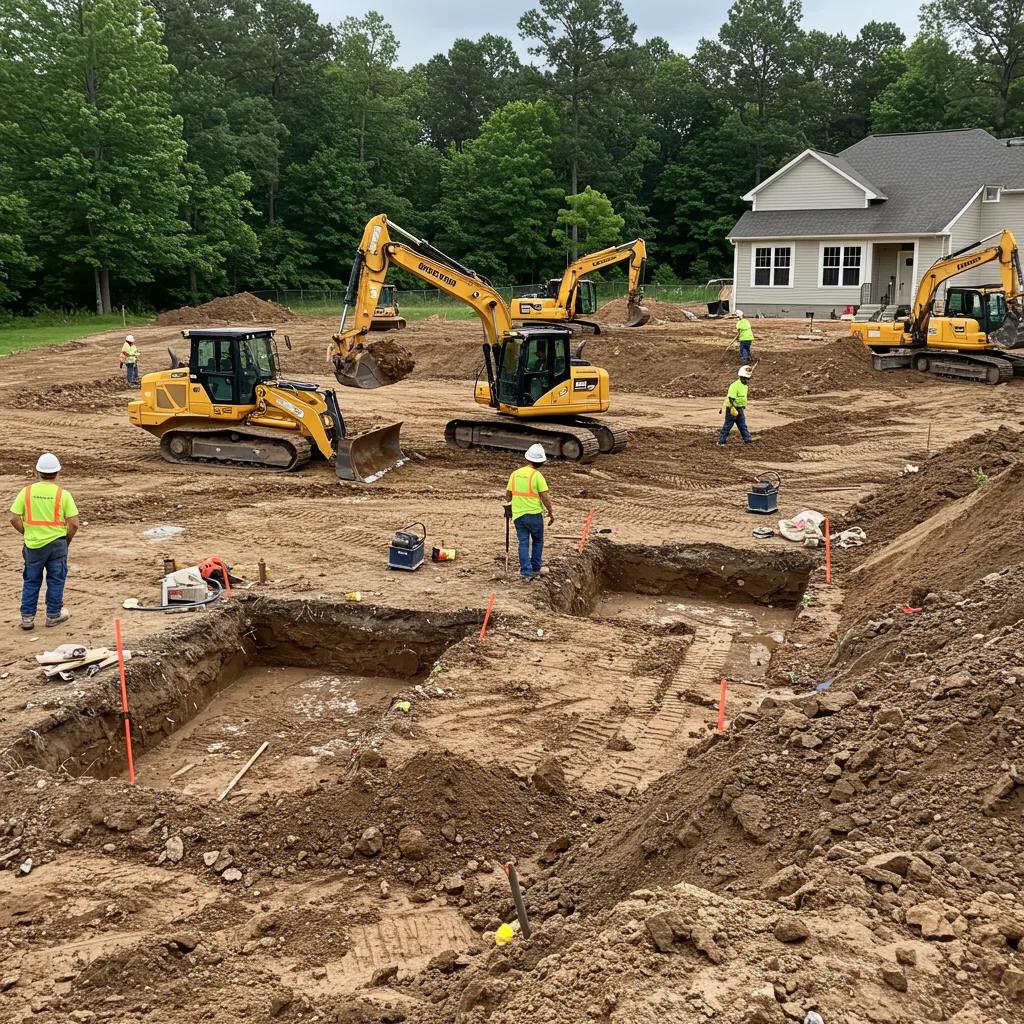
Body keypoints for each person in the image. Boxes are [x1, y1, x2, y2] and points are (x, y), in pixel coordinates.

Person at [9, 453, 79, 629]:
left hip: (33, 545)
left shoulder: (27, 492)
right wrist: (66, 539)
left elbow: (14, 518)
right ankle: (53, 615)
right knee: (56, 579)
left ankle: (27, 618)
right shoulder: (63, 495)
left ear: (37, 472)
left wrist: (27, 533)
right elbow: (74, 523)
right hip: (57, 543)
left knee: (31, 580)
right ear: (57, 473)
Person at [505, 444, 554, 583]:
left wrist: (509, 508)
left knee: (523, 542)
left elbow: (508, 495)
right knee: (538, 541)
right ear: (541, 461)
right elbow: (545, 496)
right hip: (534, 515)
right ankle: (535, 569)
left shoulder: (515, 474)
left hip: (518, 515)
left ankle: (525, 573)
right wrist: (550, 512)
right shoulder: (537, 476)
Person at [717, 365, 755, 446]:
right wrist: (732, 408)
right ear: (741, 377)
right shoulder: (734, 385)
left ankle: (747, 440)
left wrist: (742, 405)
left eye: (748, 378)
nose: (747, 380)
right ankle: (721, 442)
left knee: (742, 425)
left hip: (739, 408)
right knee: (728, 425)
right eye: (745, 378)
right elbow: (731, 398)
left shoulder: (744, 386)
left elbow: (742, 398)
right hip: (732, 408)